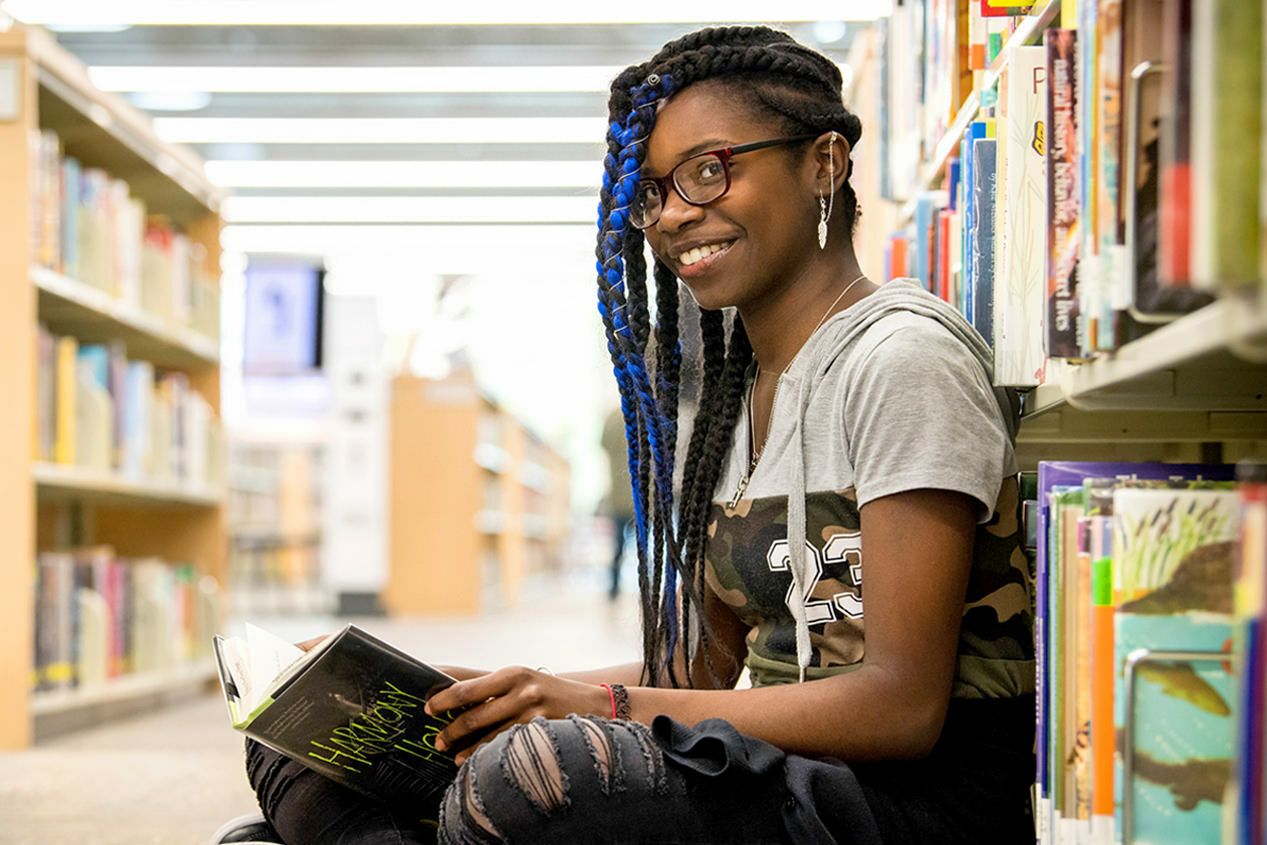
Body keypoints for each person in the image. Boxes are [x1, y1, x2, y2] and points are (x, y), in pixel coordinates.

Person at [227, 25, 1035, 845]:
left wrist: (596, 711)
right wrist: (461, 689)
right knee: (308, 748)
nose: (675, 215)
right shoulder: (724, 403)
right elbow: (690, 674)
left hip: (910, 793)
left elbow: (901, 708)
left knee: (534, 776)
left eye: (708, 171)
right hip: (770, 759)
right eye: (650, 193)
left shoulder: (901, 356)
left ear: (823, 162)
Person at [600, 407, 637, 599]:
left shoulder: (613, 417)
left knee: (618, 545)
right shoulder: (647, 412)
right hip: (644, 494)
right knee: (645, 545)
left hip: (619, 492)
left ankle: (614, 588)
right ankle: (648, 588)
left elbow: (603, 445)